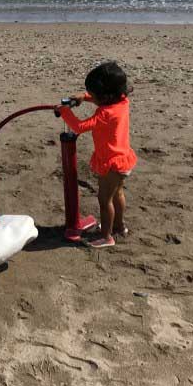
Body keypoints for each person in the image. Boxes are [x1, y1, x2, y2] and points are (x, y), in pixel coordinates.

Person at [54, 61, 137, 248]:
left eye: (93, 95)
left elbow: (79, 127)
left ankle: (106, 236)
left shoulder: (104, 114)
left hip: (111, 162)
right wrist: (84, 96)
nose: (91, 96)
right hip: (123, 159)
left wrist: (65, 112)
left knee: (104, 199)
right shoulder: (122, 101)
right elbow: (106, 99)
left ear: (105, 97)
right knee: (118, 194)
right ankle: (119, 226)